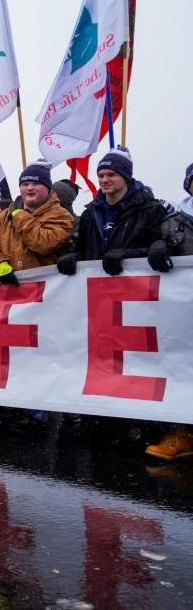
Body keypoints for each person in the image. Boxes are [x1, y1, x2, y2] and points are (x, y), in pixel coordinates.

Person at [0, 161, 74, 434]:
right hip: (13, 297)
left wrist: (21, 216)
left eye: (35, 183)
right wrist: (0, 265)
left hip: (46, 299)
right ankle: (18, 407)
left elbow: (44, 243)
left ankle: (40, 414)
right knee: (16, 354)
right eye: (24, 184)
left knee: (42, 355)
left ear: (47, 187)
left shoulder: (60, 215)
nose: (29, 188)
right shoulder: (7, 216)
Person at [142, 163, 193, 461]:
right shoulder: (171, 222)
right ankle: (181, 432)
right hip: (183, 307)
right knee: (181, 366)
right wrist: (157, 245)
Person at [57, 146, 167, 277]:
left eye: (111, 175)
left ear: (126, 177)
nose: (104, 180)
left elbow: (160, 249)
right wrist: (73, 256)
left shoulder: (151, 210)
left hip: (135, 283)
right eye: (101, 176)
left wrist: (127, 255)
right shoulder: (89, 214)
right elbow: (84, 250)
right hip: (97, 283)